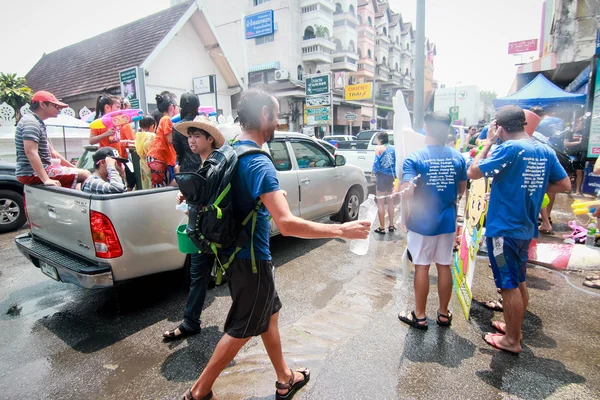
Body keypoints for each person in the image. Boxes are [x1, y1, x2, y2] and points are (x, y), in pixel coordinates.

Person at [181, 88, 370, 400]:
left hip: (234, 254)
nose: (278, 122)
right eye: (277, 115)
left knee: (269, 314)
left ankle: (284, 377)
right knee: (242, 327)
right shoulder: (258, 163)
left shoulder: (229, 152)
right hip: (251, 259)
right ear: (265, 116)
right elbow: (287, 224)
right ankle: (199, 392)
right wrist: (341, 230)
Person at [467, 105, 570, 355]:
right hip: (525, 228)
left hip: (504, 230)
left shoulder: (509, 148)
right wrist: (529, 191)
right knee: (519, 280)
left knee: (508, 285)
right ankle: (515, 329)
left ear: (500, 127)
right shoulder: (544, 150)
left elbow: (472, 172)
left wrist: (488, 144)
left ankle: (512, 340)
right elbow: (565, 184)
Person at [397, 111, 467, 330]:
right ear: (447, 130)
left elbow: (407, 193)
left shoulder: (415, 158)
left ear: (426, 128)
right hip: (447, 221)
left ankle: (419, 316)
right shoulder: (458, 157)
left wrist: (403, 189)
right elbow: (461, 190)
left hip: (421, 222)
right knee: (444, 265)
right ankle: (444, 314)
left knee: (422, 266)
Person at [163, 115, 224, 341]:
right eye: (189, 136)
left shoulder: (220, 164)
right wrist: (187, 196)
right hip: (202, 232)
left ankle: (249, 320)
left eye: (197, 136)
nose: (191, 141)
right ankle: (191, 323)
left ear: (210, 139)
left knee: (237, 276)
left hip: (219, 233)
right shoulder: (200, 164)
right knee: (197, 276)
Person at [15, 91, 90, 188]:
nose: (58, 109)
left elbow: (52, 152)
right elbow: (31, 152)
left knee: (81, 173)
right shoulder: (31, 123)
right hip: (31, 173)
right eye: (55, 106)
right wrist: (46, 179)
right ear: (42, 104)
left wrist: (73, 168)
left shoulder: (35, 121)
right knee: (85, 175)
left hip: (34, 171)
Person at [89, 94, 136, 190]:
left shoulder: (117, 122)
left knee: (125, 184)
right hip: (106, 160)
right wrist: (105, 134)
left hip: (119, 158)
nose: (120, 110)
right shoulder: (98, 123)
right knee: (112, 185)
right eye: (117, 107)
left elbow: (115, 140)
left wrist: (124, 142)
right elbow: (91, 141)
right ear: (107, 107)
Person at [147, 92, 179, 188]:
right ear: (171, 107)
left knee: (163, 185)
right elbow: (170, 139)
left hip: (160, 157)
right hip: (158, 157)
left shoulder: (164, 119)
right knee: (160, 186)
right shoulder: (166, 119)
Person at [372, 131, 396, 234]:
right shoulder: (393, 148)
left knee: (381, 203)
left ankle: (382, 228)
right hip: (391, 177)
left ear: (380, 139)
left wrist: (375, 173)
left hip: (381, 177)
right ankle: (391, 225)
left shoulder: (378, 148)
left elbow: (376, 164)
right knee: (390, 202)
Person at [172, 93, 201, 174]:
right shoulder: (203, 123)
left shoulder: (177, 127)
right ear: (197, 107)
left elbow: (179, 152)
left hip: (187, 169)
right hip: (205, 166)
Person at [564, 117, 585, 196]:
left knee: (579, 172)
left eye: (583, 122)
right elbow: (565, 143)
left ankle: (577, 191)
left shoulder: (585, 132)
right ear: (576, 123)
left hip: (580, 155)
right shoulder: (570, 132)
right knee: (569, 172)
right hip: (571, 154)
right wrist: (578, 143)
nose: (581, 124)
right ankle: (567, 189)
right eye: (580, 122)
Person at [135, 115, 157, 190]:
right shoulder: (152, 136)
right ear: (152, 126)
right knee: (152, 183)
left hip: (142, 162)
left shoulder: (138, 135)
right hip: (151, 163)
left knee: (145, 183)